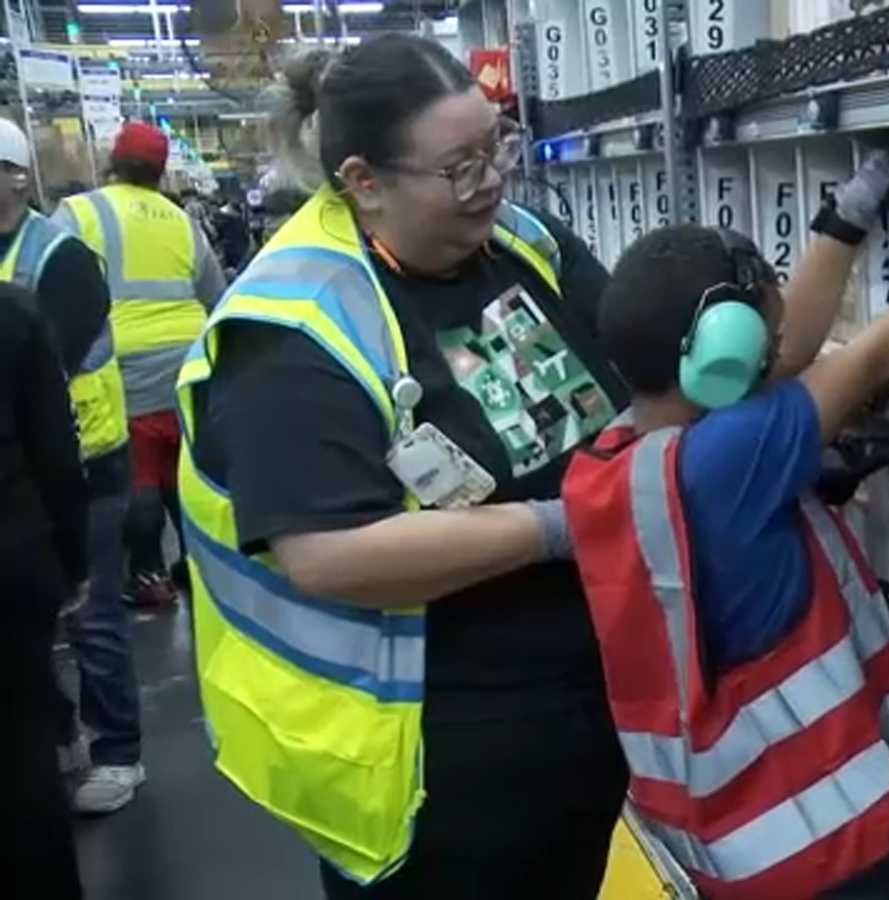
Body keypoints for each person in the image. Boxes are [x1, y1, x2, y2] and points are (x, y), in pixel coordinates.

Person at [173, 33, 705, 897]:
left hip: (580, 714)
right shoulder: (292, 331)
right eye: (458, 168)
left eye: (497, 145)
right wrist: (561, 526)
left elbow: (635, 369)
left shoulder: (522, 241)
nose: (491, 181)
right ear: (364, 182)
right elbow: (328, 556)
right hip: (423, 766)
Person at [561, 157, 889, 897]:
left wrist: (847, 217)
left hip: (734, 850)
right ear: (727, 356)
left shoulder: (621, 459)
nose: (783, 345)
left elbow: (784, 360)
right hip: (829, 846)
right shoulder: (723, 461)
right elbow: (879, 352)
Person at [0, 119, 146, 814]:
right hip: (17, 467)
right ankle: (59, 734)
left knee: (89, 611)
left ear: (18, 176)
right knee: (29, 619)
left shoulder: (58, 255)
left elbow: (53, 357)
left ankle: (119, 752)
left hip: (85, 457)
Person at [54, 122, 227, 608]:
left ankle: (148, 575)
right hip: (190, 364)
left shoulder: (79, 211)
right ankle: (200, 567)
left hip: (121, 365)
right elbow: (215, 295)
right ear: (161, 169)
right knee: (183, 473)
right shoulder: (182, 220)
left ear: (112, 160)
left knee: (138, 473)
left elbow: (51, 280)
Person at [0, 279, 91, 899]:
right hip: (11, 554)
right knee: (20, 752)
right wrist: (72, 562)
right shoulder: (12, 314)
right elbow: (57, 454)